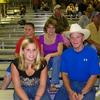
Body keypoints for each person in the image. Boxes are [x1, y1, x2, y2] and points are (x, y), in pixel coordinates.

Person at [54, 23, 100, 100]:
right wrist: (70, 92)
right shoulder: (66, 53)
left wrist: (83, 93)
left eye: (78, 37)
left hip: (87, 84)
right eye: (72, 37)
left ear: (83, 38)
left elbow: (93, 76)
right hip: (70, 84)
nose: (75, 40)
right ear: (70, 39)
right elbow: (64, 74)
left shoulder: (91, 53)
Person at [1, 22, 41, 89]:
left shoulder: (37, 41)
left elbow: (38, 54)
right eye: (25, 29)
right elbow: (16, 53)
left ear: (33, 30)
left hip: (33, 62)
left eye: (29, 29)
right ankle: (2, 89)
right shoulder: (21, 40)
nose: (27, 31)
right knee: (11, 68)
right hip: (21, 61)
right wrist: (21, 60)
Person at [39, 19, 63, 92]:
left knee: (57, 58)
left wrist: (49, 55)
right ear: (46, 28)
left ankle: (53, 83)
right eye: (49, 27)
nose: (51, 30)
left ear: (55, 29)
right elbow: (42, 53)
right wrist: (42, 61)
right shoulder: (41, 38)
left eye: (53, 28)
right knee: (41, 65)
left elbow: (60, 52)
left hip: (57, 59)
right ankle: (46, 84)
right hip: (46, 59)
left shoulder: (59, 37)